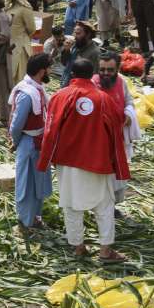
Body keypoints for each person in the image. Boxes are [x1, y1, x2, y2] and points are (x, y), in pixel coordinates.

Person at [37, 58, 129, 263]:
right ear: (92, 74)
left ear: (71, 73)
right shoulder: (103, 99)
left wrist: (45, 160)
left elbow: (50, 131)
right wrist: (118, 163)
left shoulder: (59, 96)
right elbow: (117, 128)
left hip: (67, 161)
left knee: (71, 204)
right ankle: (105, 251)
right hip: (97, 160)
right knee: (104, 206)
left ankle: (78, 247)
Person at [10, 54, 54, 231]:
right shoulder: (27, 94)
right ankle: (25, 222)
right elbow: (16, 124)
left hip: (39, 143)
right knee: (27, 183)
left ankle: (36, 217)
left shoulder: (38, 89)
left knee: (39, 181)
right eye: (49, 68)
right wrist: (17, 142)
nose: (50, 71)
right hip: (28, 143)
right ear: (42, 71)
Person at [97, 53, 141, 218]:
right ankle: (100, 207)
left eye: (110, 70)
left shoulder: (121, 82)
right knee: (102, 175)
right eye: (102, 69)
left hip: (119, 138)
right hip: (100, 140)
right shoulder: (93, 83)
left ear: (117, 69)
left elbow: (129, 101)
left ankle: (112, 206)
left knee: (117, 173)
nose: (106, 73)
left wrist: (129, 114)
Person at [5, 0, 34, 84]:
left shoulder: (25, 9)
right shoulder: (8, 8)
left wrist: (20, 35)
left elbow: (32, 28)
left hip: (20, 47)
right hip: (8, 46)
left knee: (20, 75)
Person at [60, 21, 101, 87]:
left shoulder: (95, 53)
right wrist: (66, 50)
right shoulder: (76, 45)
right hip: (66, 83)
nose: (75, 37)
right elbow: (64, 63)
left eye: (78, 33)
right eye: (74, 33)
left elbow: (95, 77)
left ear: (88, 35)